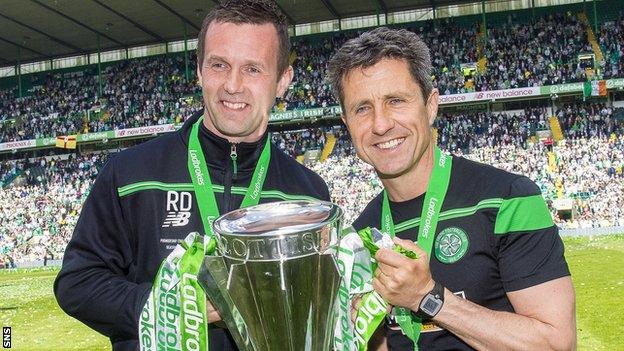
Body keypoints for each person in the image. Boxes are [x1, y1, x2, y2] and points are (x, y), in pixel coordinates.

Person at [54, 1, 330, 350]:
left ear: (282, 80)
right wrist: (170, 306)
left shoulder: (308, 195)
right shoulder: (130, 173)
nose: (233, 85)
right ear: (198, 71)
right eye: (219, 65)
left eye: (253, 69)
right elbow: (77, 284)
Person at [327, 27, 576, 350]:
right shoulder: (361, 234)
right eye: (362, 108)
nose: (380, 124)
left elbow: (558, 344)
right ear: (346, 124)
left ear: (430, 105)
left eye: (396, 101)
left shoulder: (507, 198)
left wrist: (428, 297)